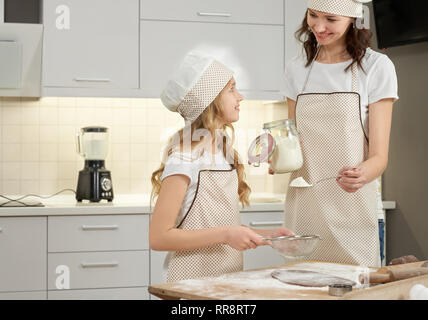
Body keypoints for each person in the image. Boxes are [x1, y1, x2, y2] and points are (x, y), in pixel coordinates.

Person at [149, 52, 295, 282]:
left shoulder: (224, 152)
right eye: (232, 89)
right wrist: (227, 235)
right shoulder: (184, 159)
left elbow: (220, 225)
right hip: (190, 284)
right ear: (210, 100)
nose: (241, 97)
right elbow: (159, 237)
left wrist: (268, 236)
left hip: (225, 280)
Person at [282, 0, 398, 267]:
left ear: (353, 20)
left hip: (353, 209)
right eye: (313, 15)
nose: (319, 27)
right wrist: (278, 153)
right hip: (305, 208)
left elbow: (379, 157)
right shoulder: (296, 68)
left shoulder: (377, 67)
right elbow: (292, 140)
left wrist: (362, 175)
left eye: (331, 19)